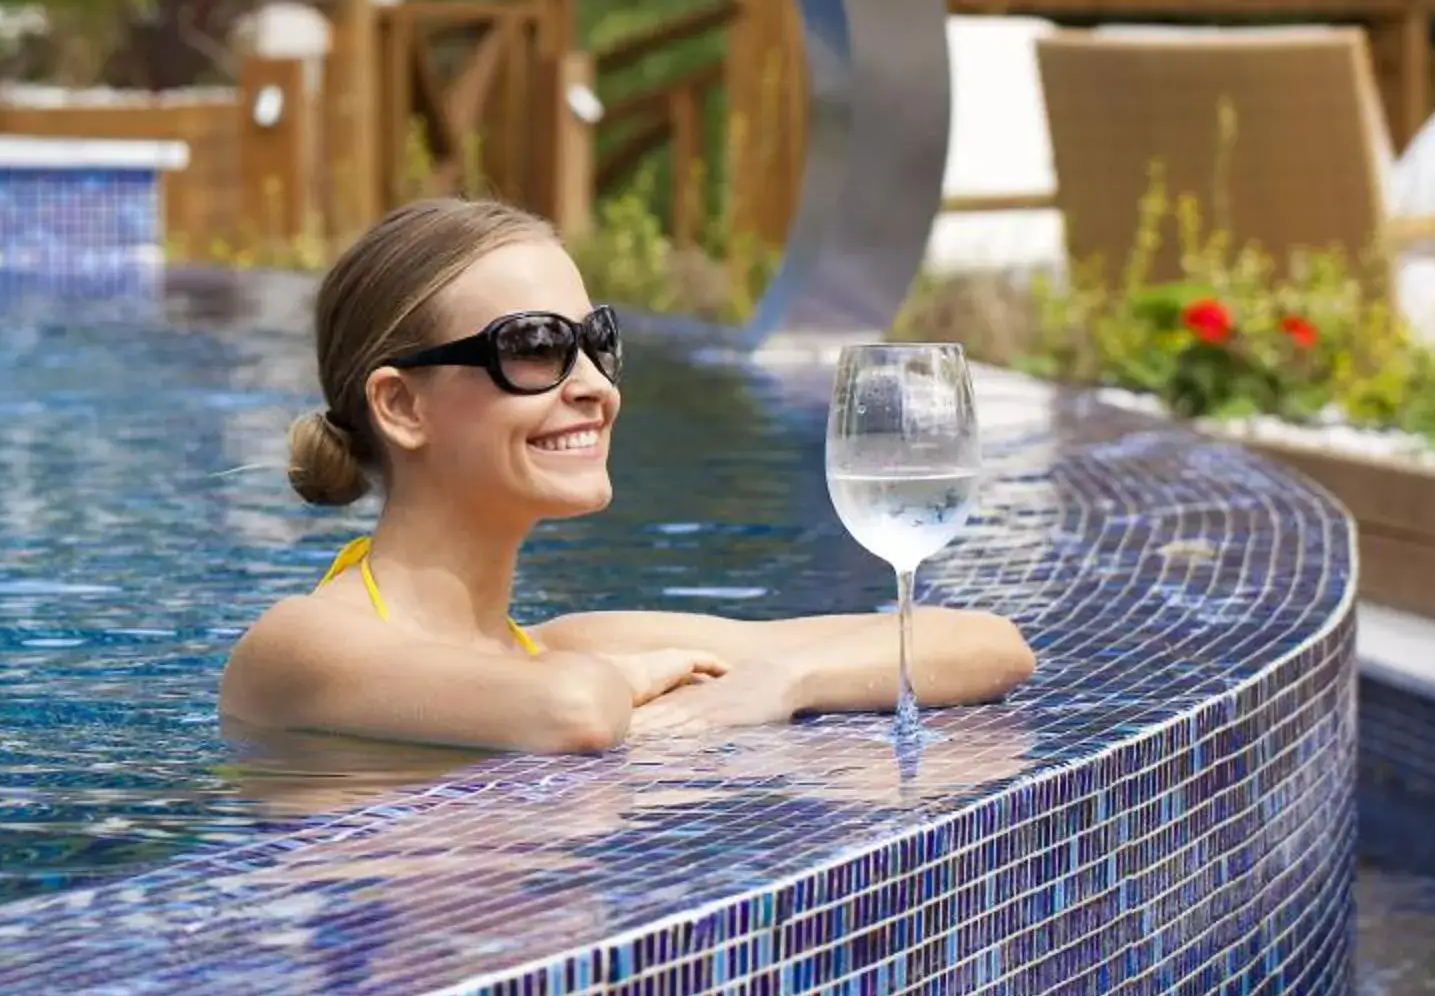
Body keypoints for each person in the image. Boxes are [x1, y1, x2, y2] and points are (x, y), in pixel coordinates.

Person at [220, 198, 1036, 753]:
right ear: (401, 407)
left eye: (596, 342)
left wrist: (784, 680)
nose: (596, 386)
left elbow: (985, 644)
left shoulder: (565, 646)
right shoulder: (296, 647)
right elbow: (575, 711)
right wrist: (628, 685)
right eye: (535, 347)